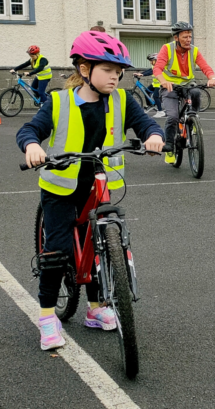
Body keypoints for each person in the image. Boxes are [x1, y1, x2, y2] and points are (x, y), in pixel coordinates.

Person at [16, 31, 164, 351]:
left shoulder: (123, 100)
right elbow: (30, 130)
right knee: (57, 250)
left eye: (118, 71)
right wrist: (31, 146)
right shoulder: (58, 101)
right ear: (85, 69)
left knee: (102, 244)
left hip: (100, 184)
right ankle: (46, 317)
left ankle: (96, 309)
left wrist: (154, 137)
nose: (116, 76)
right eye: (108, 69)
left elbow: (146, 124)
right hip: (61, 188)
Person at [153, 21, 215, 163]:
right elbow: (157, 68)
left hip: (187, 84)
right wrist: (163, 81)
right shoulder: (167, 49)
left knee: (195, 92)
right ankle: (169, 146)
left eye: (190, 36)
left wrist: (212, 77)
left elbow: (205, 66)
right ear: (176, 38)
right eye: (185, 37)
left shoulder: (194, 50)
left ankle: (193, 120)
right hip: (170, 86)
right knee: (173, 117)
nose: (188, 40)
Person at [134, 53, 165, 118]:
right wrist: (140, 73)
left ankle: (160, 111)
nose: (150, 62)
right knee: (146, 91)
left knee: (156, 96)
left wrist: (143, 75)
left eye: (151, 60)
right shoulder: (154, 66)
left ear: (156, 60)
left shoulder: (160, 66)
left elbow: (151, 72)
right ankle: (150, 106)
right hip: (155, 84)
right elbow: (149, 70)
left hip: (160, 84)